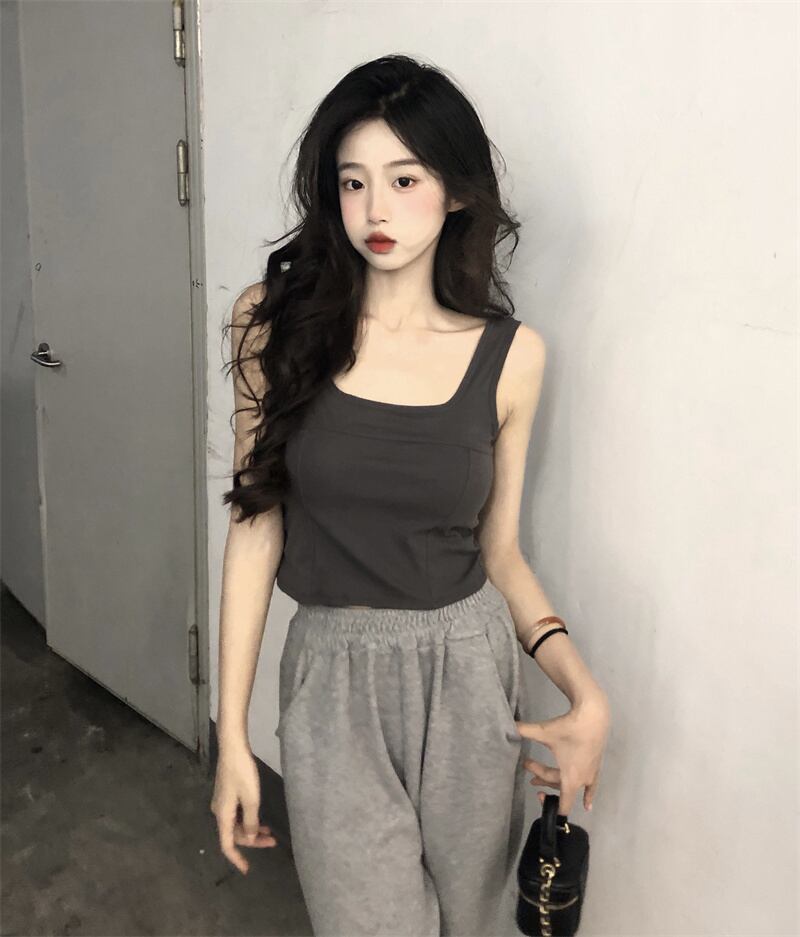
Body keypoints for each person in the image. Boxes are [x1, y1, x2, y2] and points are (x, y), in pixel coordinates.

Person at [211, 54, 611, 937]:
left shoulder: (513, 357)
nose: (376, 211)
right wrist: (231, 733)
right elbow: (254, 526)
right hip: (332, 677)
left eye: (404, 179)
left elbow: (500, 553)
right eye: (353, 182)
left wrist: (584, 691)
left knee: (468, 921)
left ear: (456, 193)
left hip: (468, 670)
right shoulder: (271, 326)